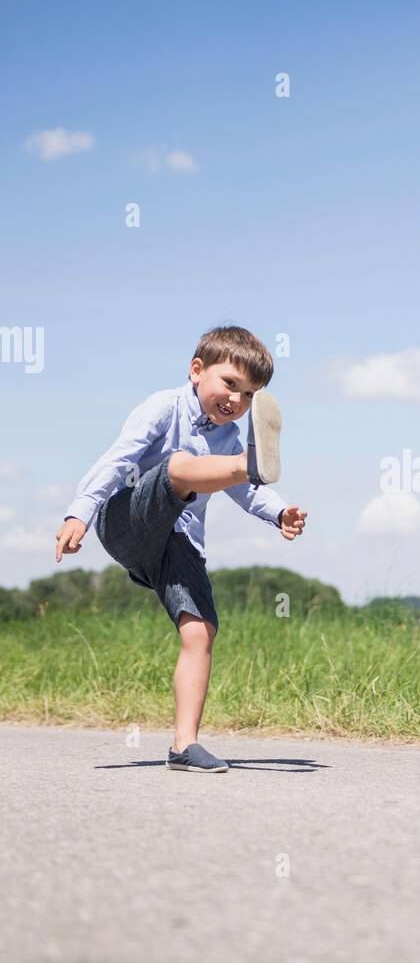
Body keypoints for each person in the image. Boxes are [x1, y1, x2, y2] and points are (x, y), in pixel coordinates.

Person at [54, 325, 307, 773]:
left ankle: (183, 746)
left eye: (249, 396)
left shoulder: (226, 435)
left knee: (200, 631)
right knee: (178, 468)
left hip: (178, 540)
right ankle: (250, 464)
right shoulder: (162, 406)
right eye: (230, 384)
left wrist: (279, 513)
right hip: (126, 520)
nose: (236, 401)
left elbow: (246, 494)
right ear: (196, 371)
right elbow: (117, 459)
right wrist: (80, 511)